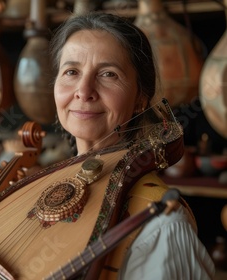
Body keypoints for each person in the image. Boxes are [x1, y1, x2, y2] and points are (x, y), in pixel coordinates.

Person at [49, 12, 215, 279]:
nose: (83, 90)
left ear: (140, 97)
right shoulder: (49, 188)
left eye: (108, 74)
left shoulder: (162, 225)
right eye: (71, 72)